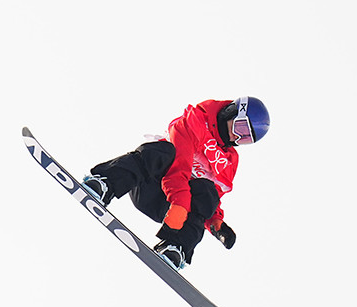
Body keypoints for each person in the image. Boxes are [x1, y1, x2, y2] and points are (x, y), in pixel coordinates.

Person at [82, 97, 270, 271]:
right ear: (231, 111)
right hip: (150, 184)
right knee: (164, 151)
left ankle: (175, 247)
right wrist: (179, 203)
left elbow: (213, 197)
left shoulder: (228, 162)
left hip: (173, 209)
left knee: (207, 191)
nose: (236, 138)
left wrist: (216, 222)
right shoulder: (196, 120)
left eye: (244, 139)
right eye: (241, 129)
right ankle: (106, 183)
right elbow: (179, 164)